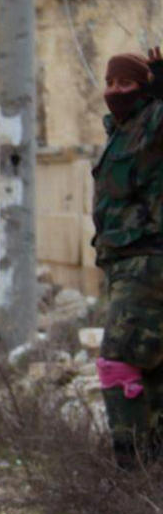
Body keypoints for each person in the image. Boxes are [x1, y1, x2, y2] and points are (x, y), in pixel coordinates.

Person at [93, 49, 163, 470]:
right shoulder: (121, 129)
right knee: (151, 371)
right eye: (111, 83)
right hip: (124, 263)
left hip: (148, 260)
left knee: (116, 362)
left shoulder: (153, 121)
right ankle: (152, 476)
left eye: (127, 84)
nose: (116, 92)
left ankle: (131, 470)